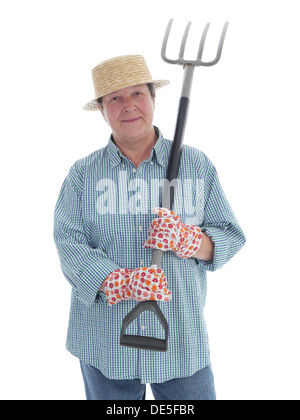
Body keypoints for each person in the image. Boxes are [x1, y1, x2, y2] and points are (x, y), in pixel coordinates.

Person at [53, 55, 246, 400]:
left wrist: (190, 240)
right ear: (101, 109)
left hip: (180, 341)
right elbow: (68, 242)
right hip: (105, 340)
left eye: (137, 94)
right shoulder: (82, 175)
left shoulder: (196, 165)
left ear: (153, 98)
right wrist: (118, 281)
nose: (128, 106)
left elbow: (229, 235)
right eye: (115, 98)